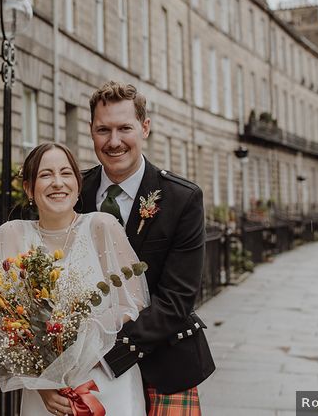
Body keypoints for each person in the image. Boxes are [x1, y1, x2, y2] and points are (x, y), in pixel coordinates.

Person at [0, 142, 150, 416]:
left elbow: (134, 302)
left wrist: (82, 333)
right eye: (45, 175)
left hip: (105, 383)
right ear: (29, 188)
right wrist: (41, 384)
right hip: (43, 396)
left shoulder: (102, 226)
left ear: (77, 185)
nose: (57, 183)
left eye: (66, 174)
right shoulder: (11, 235)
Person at [74, 81, 215, 416]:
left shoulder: (182, 198)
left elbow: (176, 299)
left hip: (164, 365)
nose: (114, 141)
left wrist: (107, 355)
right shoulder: (74, 192)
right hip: (82, 368)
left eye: (125, 128)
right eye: (103, 130)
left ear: (145, 128)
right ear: (91, 132)